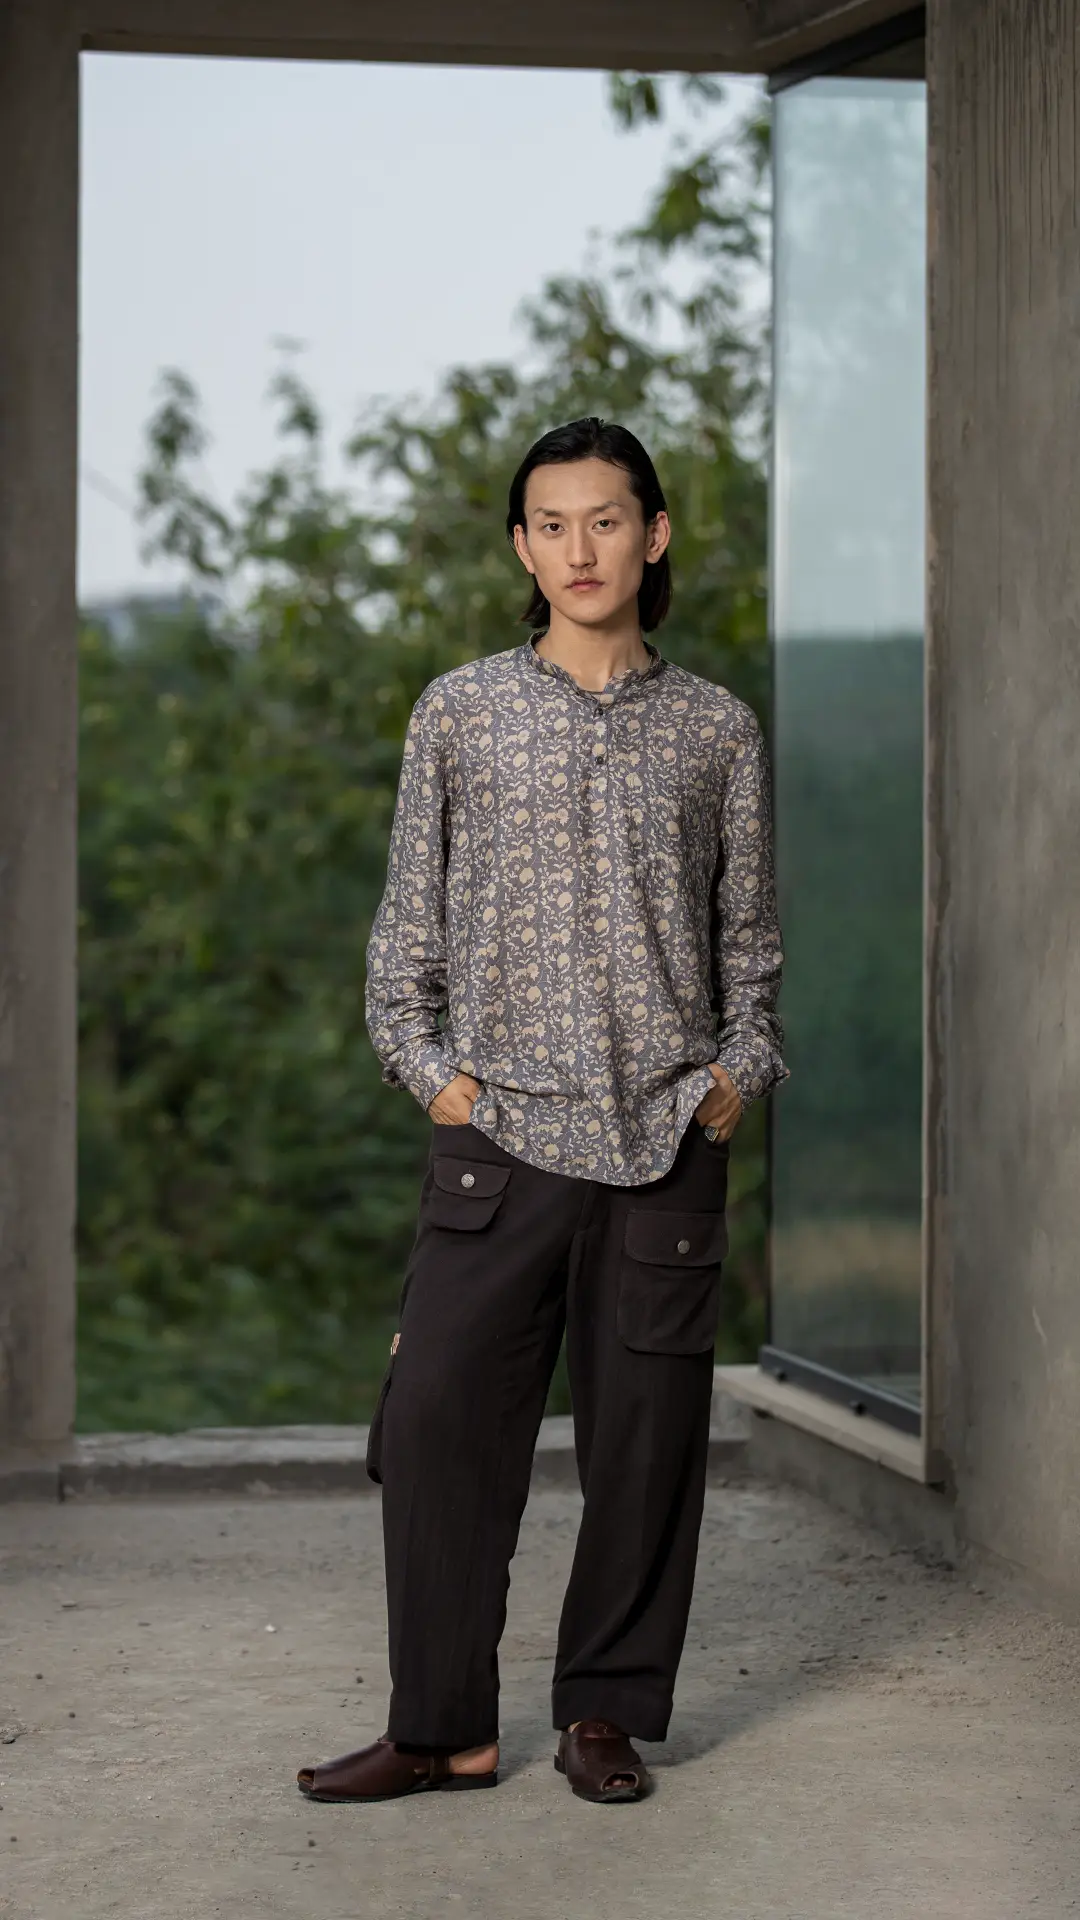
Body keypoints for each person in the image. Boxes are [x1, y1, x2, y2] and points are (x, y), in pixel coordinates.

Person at [296, 415, 787, 1808]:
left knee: (645, 1447)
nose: (581, 549)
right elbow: (408, 931)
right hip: (496, 1141)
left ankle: (604, 1715)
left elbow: (749, 945)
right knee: (438, 1422)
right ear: (523, 547)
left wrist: (736, 1074)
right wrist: (429, 1071)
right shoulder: (459, 712)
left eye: (606, 520)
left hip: (663, 1141)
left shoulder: (716, 730)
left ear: (654, 534)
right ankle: (440, 1728)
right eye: (552, 525)